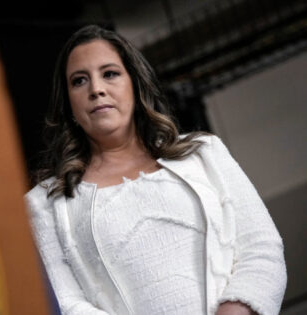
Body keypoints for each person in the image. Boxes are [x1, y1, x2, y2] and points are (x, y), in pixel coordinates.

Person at [24, 25, 287, 315]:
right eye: (79, 81)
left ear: (135, 85)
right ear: (68, 104)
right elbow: (66, 303)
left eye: (110, 74)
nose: (96, 89)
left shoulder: (204, 153)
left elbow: (261, 248)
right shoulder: (44, 205)